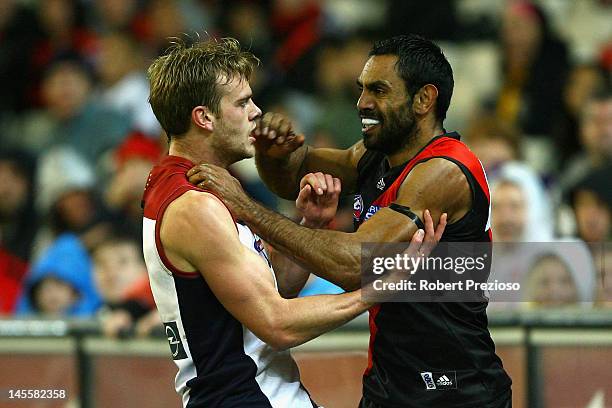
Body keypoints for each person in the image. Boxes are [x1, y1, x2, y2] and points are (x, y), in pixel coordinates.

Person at [188, 34, 512, 407]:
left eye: (378, 90)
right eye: (361, 89)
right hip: (389, 385)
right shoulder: (375, 155)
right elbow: (292, 176)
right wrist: (273, 153)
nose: (362, 103)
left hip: (457, 392)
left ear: (424, 99)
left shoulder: (443, 172)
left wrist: (246, 207)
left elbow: (357, 264)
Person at [144, 37, 443, 407]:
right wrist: (381, 286)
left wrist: (310, 224)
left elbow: (271, 293)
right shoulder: (194, 205)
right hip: (245, 398)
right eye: (242, 103)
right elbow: (276, 323)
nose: (256, 112)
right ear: (204, 118)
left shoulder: (189, 183)